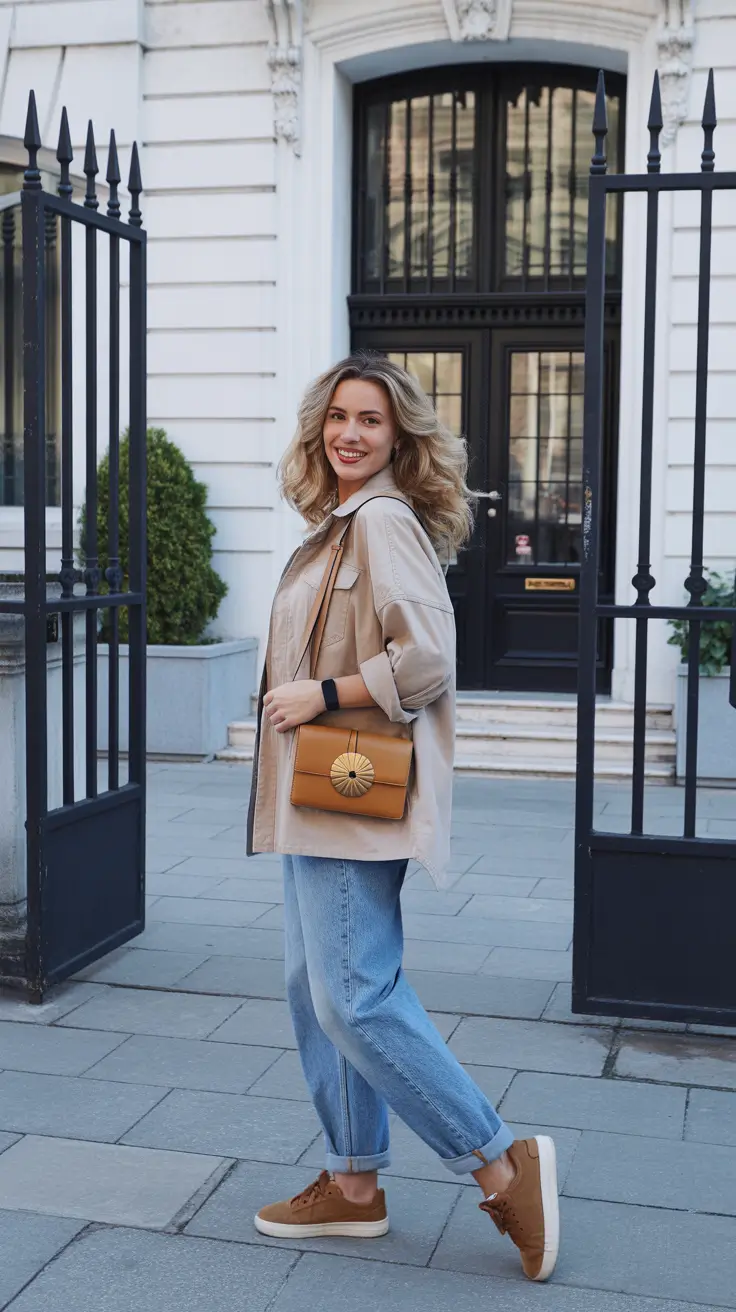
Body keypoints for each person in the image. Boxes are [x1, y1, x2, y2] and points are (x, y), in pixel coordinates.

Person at [246, 352, 559, 1282]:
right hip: (318, 792)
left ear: (399, 436)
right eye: (338, 416)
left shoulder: (380, 521)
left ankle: (502, 1161)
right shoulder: (337, 524)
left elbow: (427, 663)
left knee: (356, 996)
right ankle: (352, 1186)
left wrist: (324, 692)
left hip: (349, 787)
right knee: (316, 991)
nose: (349, 433)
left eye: (370, 421)